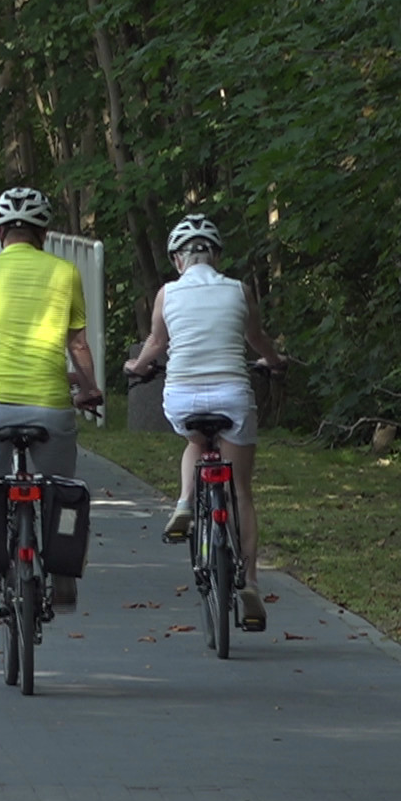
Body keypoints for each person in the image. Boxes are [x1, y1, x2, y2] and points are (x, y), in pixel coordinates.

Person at [122, 213, 287, 632]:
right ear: (215, 256)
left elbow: (157, 343)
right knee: (242, 491)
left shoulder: (167, 294)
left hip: (183, 398)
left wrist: (136, 365)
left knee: (195, 443)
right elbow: (256, 337)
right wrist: (273, 360)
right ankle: (249, 583)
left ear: (178, 259)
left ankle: (182, 503)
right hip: (232, 397)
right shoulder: (239, 290)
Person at [0, 187, 104, 627]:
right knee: (60, 486)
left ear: (0, 230)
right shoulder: (65, 272)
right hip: (48, 405)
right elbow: (75, 343)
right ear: (44, 234)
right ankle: (61, 575)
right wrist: (90, 388)